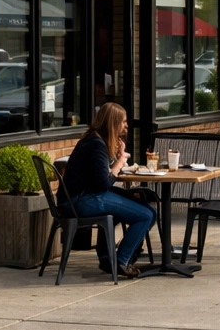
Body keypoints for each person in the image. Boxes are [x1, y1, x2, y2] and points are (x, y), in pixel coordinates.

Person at [62, 103, 156, 278]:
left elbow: (100, 176)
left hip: (82, 196)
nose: (126, 125)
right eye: (123, 121)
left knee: (149, 209)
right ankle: (121, 260)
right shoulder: (96, 144)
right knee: (146, 215)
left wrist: (117, 158)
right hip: (79, 201)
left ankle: (108, 259)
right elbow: (103, 183)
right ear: (113, 123)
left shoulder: (94, 140)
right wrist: (119, 162)